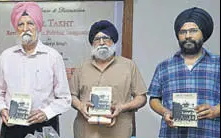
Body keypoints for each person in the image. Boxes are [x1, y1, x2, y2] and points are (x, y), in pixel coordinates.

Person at [0, 2, 71, 138]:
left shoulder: (53, 57)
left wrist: (46, 113)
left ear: (38, 25)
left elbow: (65, 98)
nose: (25, 28)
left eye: (30, 23)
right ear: (16, 28)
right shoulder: (6, 57)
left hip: (44, 125)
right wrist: (2, 109)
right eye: (20, 24)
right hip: (12, 127)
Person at [148, 7, 220, 138]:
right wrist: (164, 112)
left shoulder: (218, 64)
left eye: (193, 31)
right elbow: (154, 98)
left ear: (203, 33)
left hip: (209, 133)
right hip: (171, 134)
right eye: (183, 32)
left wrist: (216, 110)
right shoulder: (164, 66)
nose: (187, 36)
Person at [69, 20, 147, 138]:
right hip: (86, 131)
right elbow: (71, 96)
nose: (101, 43)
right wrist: (80, 106)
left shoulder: (128, 66)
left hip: (119, 131)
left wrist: (122, 107)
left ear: (113, 41)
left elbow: (141, 97)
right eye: (97, 39)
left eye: (106, 38)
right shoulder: (82, 67)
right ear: (92, 44)